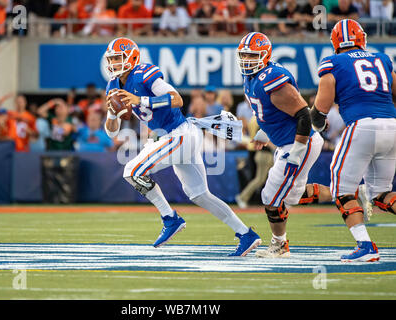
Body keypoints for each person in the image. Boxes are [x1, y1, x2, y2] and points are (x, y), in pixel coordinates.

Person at [104, 37, 261, 256]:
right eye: (111, 59)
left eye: (117, 58)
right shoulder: (112, 86)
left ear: (132, 58)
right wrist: (113, 111)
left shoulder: (143, 74)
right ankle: (246, 234)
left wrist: (141, 101)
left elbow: (177, 99)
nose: (113, 64)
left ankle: (170, 219)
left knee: (132, 171)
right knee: (199, 195)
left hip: (179, 134)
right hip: (176, 137)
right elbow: (112, 131)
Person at [299, 19, 396, 262]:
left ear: (335, 42)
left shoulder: (333, 62)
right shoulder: (382, 59)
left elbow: (320, 110)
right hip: (391, 125)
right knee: (382, 194)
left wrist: (318, 125)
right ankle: (365, 245)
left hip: (361, 126)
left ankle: (365, 246)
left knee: (342, 192)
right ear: (362, 38)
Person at [237, 32, 323, 258]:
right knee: (293, 197)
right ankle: (347, 193)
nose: (247, 60)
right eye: (244, 55)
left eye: (252, 55)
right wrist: (264, 134)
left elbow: (304, 115)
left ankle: (279, 245)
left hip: (298, 141)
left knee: (270, 197)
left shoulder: (271, 77)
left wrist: (297, 150)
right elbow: (272, 115)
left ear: (264, 55)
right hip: (288, 142)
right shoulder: (251, 78)